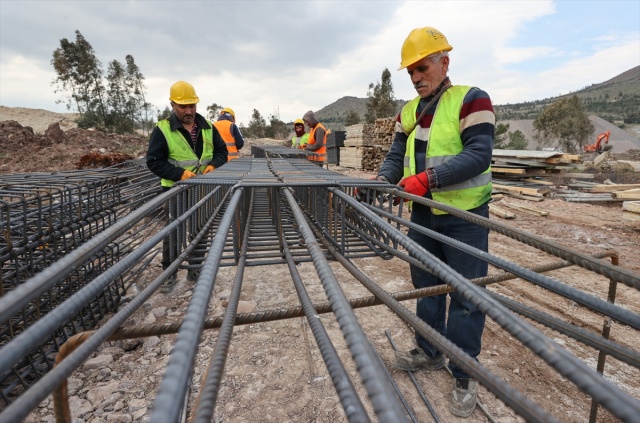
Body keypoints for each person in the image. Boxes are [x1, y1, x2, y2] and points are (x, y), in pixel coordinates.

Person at [372, 27, 494, 418]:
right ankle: (428, 351)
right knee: (426, 286)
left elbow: (479, 154)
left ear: (444, 62)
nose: (416, 77)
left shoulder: (472, 100)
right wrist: (380, 181)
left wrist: (430, 179)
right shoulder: (408, 111)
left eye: (422, 67)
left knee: (466, 295)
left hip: (465, 217)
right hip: (423, 216)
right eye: (410, 71)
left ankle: (464, 373)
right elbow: (394, 158)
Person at [146, 80, 228, 291]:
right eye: (183, 106)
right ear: (173, 105)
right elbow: (154, 161)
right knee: (174, 230)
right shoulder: (163, 130)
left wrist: (213, 165)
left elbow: (222, 153)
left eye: (192, 105)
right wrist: (179, 174)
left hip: (202, 188)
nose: (188, 111)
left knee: (201, 229)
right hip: (175, 190)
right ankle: (169, 274)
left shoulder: (208, 127)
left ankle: (195, 269)